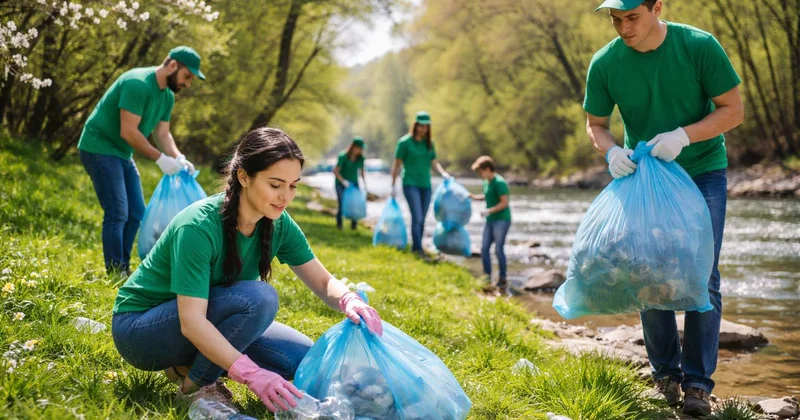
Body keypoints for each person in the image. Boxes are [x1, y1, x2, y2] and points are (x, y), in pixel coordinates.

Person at [110, 127, 384, 412]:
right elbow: (191, 321)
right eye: (275, 184)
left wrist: (348, 299)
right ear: (244, 177)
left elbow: (323, 281)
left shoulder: (278, 222)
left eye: (293, 185)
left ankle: (188, 363)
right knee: (259, 298)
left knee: (300, 359)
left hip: (200, 318)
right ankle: (197, 385)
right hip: (142, 331)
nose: (285, 196)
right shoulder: (198, 226)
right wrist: (252, 375)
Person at [584, 0, 744, 416]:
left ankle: (697, 384)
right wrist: (611, 151)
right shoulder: (605, 63)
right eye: (616, 20)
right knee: (649, 269)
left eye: (632, 17)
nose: (623, 28)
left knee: (701, 273)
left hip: (702, 170)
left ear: (657, 7)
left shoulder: (698, 46)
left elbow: (733, 109)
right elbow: (595, 124)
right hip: (647, 177)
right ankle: (666, 375)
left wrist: (685, 136)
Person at [78, 46, 204, 276]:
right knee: (118, 212)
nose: (188, 83)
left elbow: (163, 134)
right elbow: (128, 131)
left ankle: (122, 267)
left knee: (137, 212)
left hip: (122, 154)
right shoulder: (138, 83)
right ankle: (116, 271)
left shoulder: (166, 96)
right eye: (187, 76)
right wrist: (160, 159)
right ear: (173, 65)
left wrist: (178, 157)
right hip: (99, 148)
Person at [391, 111, 451, 255]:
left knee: (422, 218)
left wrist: (443, 173)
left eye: (426, 126)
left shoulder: (429, 144)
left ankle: (418, 245)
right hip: (410, 183)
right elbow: (397, 165)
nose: (423, 129)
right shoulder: (404, 143)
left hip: (426, 185)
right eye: (421, 126)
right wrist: (392, 186)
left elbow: (434, 162)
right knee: (416, 215)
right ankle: (417, 248)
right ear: (416, 125)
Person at [469, 156, 511, 295]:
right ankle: (487, 277)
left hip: (501, 220)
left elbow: (504, 203)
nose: (480, 175)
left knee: (498, 249)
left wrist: (488, 211)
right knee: (484, 248)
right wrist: (475, 197)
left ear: (487, 169)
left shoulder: (500, 183)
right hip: (490, 220)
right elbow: (487, 195)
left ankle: (503, 278)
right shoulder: (487, 182)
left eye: (480, 172)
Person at [333, 137, 367, 230]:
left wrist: (364, 183)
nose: (361, 150)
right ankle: (339, 225)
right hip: (341, 183)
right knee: (341, 203)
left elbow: (362, 172)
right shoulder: (343, 156)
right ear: (354, 147)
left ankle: (354, 227)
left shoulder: (361, 158)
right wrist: (343, 181)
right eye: (360, 148)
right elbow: (336, 171)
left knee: (354, 204)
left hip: (354, 183)